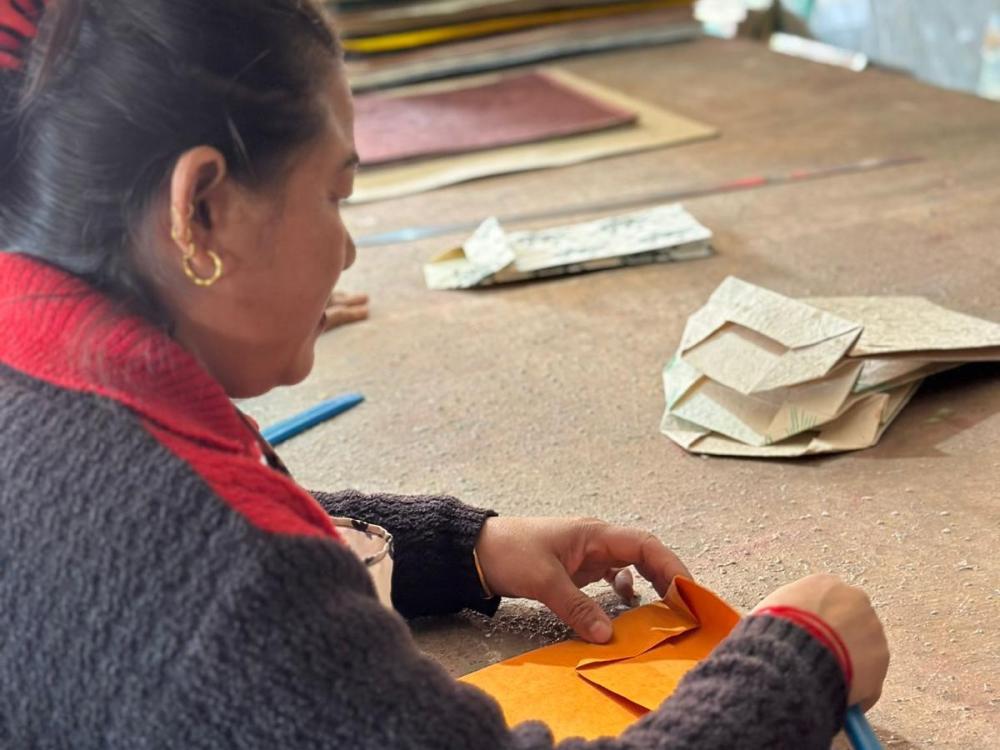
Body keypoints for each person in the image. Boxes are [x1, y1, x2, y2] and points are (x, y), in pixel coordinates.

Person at [0, 1, 889, 748]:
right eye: (335, 195)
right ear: (201, 208)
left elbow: (152, 537)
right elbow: (222, 579)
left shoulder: (43, 378)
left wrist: (453, 547)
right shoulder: (224, 582)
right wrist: (796, 661)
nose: (348, 248)